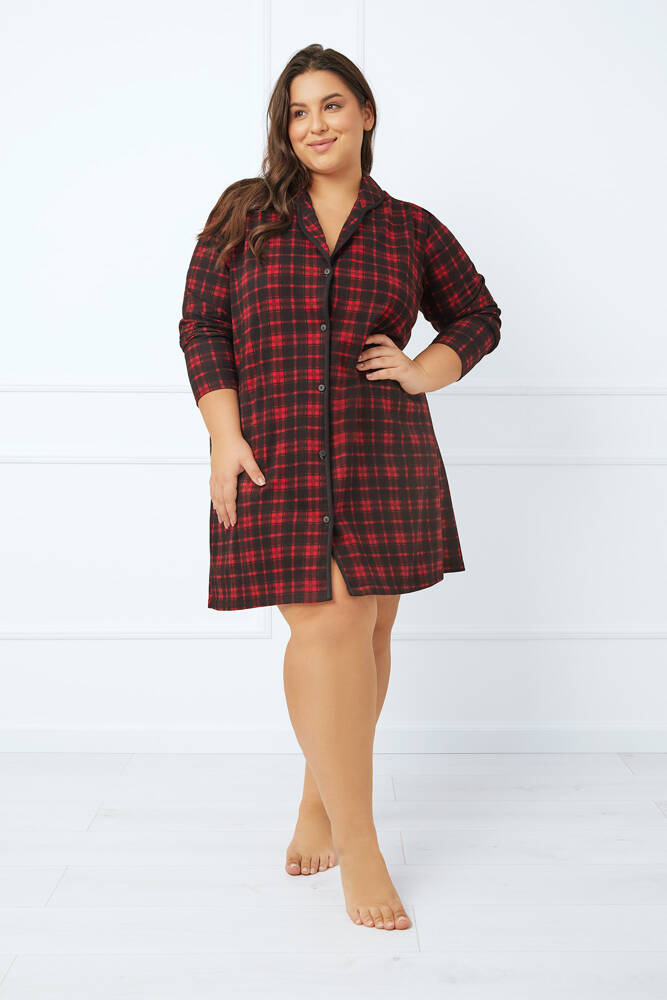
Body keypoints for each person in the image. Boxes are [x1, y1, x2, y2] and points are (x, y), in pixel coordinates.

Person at [178, 44, 501, 931]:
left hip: (380, 449)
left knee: (369, 630)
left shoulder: (410, 229)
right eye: (297, 111)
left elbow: (477, 314)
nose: (313, 124)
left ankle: (320, 797)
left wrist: (423, 369)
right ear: (282, 128)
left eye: (330, 105)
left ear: (364, 113)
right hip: (274, 451)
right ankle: (362, 845)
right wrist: (223, 436)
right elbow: (201, 325)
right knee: (327, 625)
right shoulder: (243, 216)